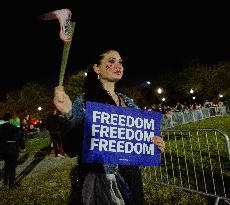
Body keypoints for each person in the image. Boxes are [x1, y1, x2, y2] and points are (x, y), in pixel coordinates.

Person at [53, 49, 165, 205]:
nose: (118, 66)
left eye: (120, 62)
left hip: (132, 177)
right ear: (97, 68)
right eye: (111, 61)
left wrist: (155, 143)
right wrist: (68, 114)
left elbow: (139, 140)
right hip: (103, 179)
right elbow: (71, 147)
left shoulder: (129, 103)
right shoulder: (85, 102)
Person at [0, 113, 25, 188]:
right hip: (12, 149)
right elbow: (19, 137)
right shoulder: (14, 128)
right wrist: (22, 146)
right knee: (12, 167)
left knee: (7, 164)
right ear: (10, 119)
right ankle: (11, 183)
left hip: (4, 150)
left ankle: (5, 181)